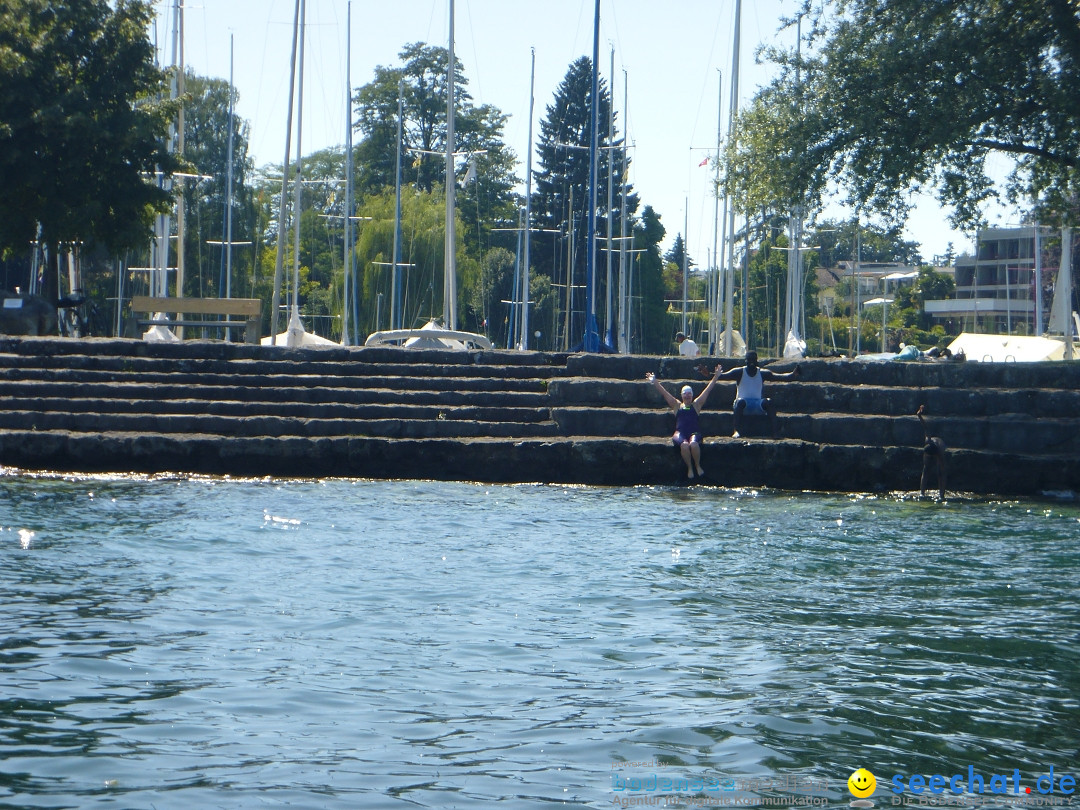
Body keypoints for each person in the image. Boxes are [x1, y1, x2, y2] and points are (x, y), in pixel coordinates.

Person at [646, 365, 722, 480]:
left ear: (692, 395)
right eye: (685, 393)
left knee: (694, 444)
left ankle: (697, 465)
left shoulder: (696, 405)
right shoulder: (677, 405)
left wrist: (716, 376)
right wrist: (655, 382)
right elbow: (665, 393)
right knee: (685, 445)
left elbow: (708, 390)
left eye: (689, 393)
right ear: (682, 395)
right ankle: (690, 468)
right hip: (680, 433)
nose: (687, 395)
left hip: (694, 433)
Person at [715, 350, 800, 438]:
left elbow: (779, 377)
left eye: (753, 360)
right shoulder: (739, 372)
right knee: (740, 402)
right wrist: (708, 374)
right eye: (749, 360)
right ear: (746, 360)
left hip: (757, 404)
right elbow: (721, 376)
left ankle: (775, 432)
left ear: (756, 361)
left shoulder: (762, 373)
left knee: (769, 402)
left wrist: (793, 374)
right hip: (743, 405)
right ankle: (736, 431)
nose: (751, 362)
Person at [917, 404, 947, 498]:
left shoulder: (940, 450)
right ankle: (922, 492)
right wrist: (919, 414)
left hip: (938, 448)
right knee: (925, 470)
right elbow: (924, 424)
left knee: (940, 472)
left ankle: (941, 493)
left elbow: (943, 473)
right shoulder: (928, 440)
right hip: (930, 448)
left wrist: (942, 495)